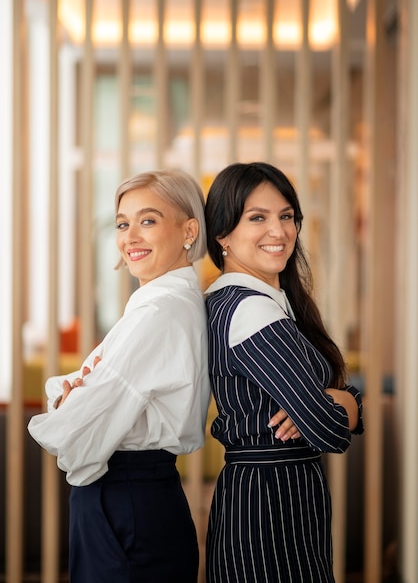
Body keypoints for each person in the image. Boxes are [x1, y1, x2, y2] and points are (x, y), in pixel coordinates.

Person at [28, 169, 211, 583]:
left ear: (189, 229)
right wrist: (76, 397)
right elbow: (74, 402)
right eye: (123, 223)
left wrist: (74, 400)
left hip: (125, 502)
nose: (130, 236)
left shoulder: (158, 313)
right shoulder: (162, 304)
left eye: (148, 220)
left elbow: (68, 436)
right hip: (141, 501)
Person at [203, 162, 364, 583]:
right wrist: (345, 400)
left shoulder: (253, 302)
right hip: (271, 506)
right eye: (257, 218)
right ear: (222, 234)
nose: (279, 231)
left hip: (270, 495)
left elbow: (320, 415)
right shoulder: (251, 310)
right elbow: (329, 431)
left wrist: (330, 401)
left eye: (286, 216)